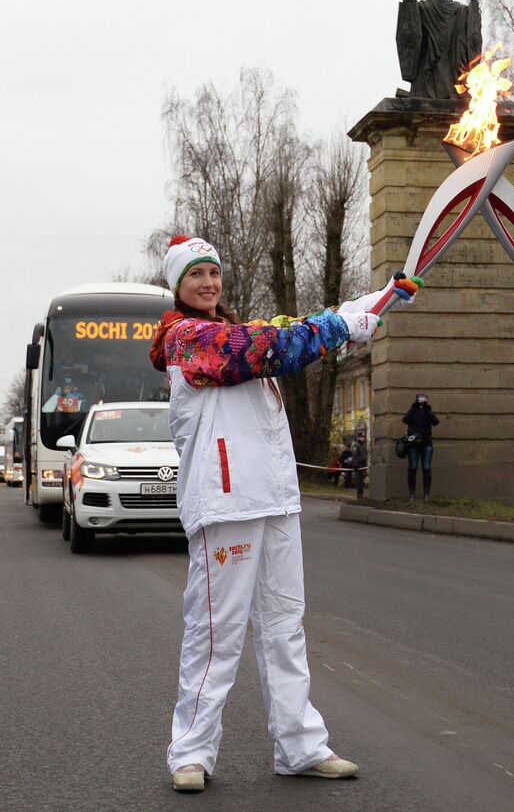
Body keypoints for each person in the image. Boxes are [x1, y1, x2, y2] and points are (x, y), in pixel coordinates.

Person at [150, 235, 419, 792]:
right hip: (225, 502)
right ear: (177, 286)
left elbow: (298, 326)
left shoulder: (240, 328)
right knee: (214, 632)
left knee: (283, 626)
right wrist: (343, 328)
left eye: (213, 273)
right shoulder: (188, 338)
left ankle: (299, 745)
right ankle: (191, 752)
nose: (208, 282)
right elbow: (272, 347)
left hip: (274, 498)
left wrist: (379, 300)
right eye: (195, 274)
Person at [396, 0, 482, 99]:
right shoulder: (464, 12)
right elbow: (473, 43)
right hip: (457, 81)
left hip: (427, 79)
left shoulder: (421, 9)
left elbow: (409, 38)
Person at [402, 394, 439, 502]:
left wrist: (428, 410)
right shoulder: (413, 411)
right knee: (413, 468)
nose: (421, 402)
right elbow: (405, 420)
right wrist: (413, 407)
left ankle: (426, 494)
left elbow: (436, 422)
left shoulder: (428, 412)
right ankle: (412, 494)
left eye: (424, 400)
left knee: (426, 468)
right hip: (413, 445)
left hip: (426, 444)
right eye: (420, 400)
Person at [350, 432, 368, 499]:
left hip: (363, 465)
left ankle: (361, 494)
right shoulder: (356, 445)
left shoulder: (363, 445)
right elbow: (354, 456)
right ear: (358, 437)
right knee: (359, 481)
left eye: (363, 437)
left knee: (361, 480)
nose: (363, 438)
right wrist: (356, 465)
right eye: (361, 437)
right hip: (359, 465)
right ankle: (359, 495)